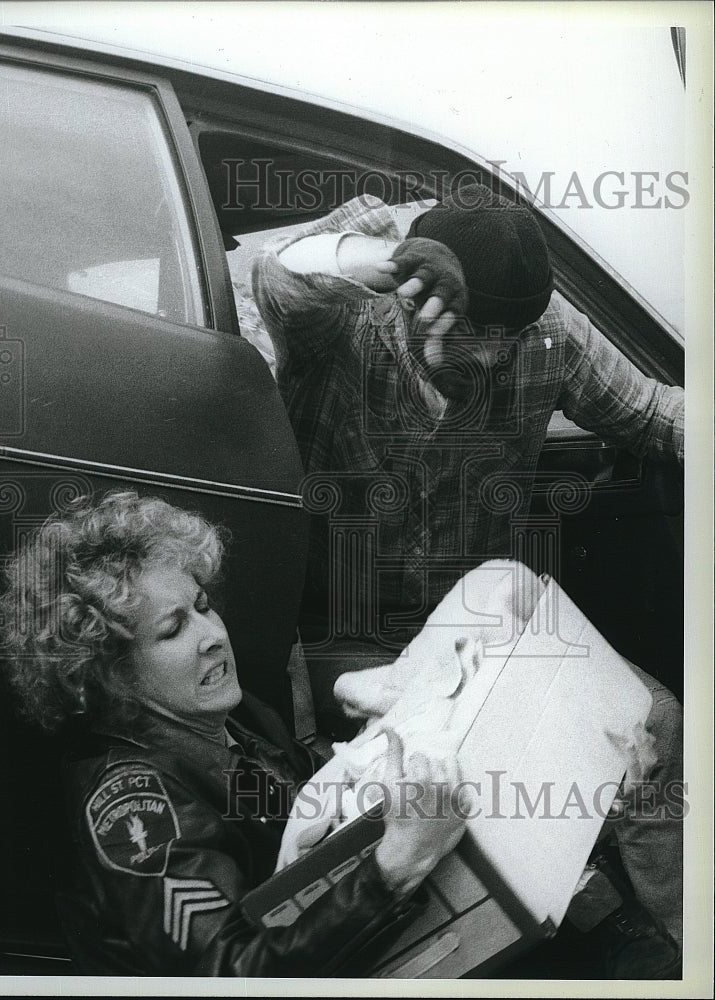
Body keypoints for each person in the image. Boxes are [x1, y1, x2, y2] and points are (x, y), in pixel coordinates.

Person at [252, 184, 684, 977]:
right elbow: (280, 272)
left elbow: (652, 413)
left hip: (475, 622)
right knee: (450, 781)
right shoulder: (338, 317)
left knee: (655, 720)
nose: (490, 352)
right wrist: (383, 259)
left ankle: (677, 949)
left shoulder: (544, 337)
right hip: (339, 638)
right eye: (475, 326)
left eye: (509, 334)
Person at [0, 490, 466, 977]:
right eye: (173, 630)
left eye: (202, 606)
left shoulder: (236, 720)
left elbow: (312, 799)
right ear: (111, 675)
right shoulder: (133, 807)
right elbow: (226, 972)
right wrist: (392, 870)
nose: (213, 635)